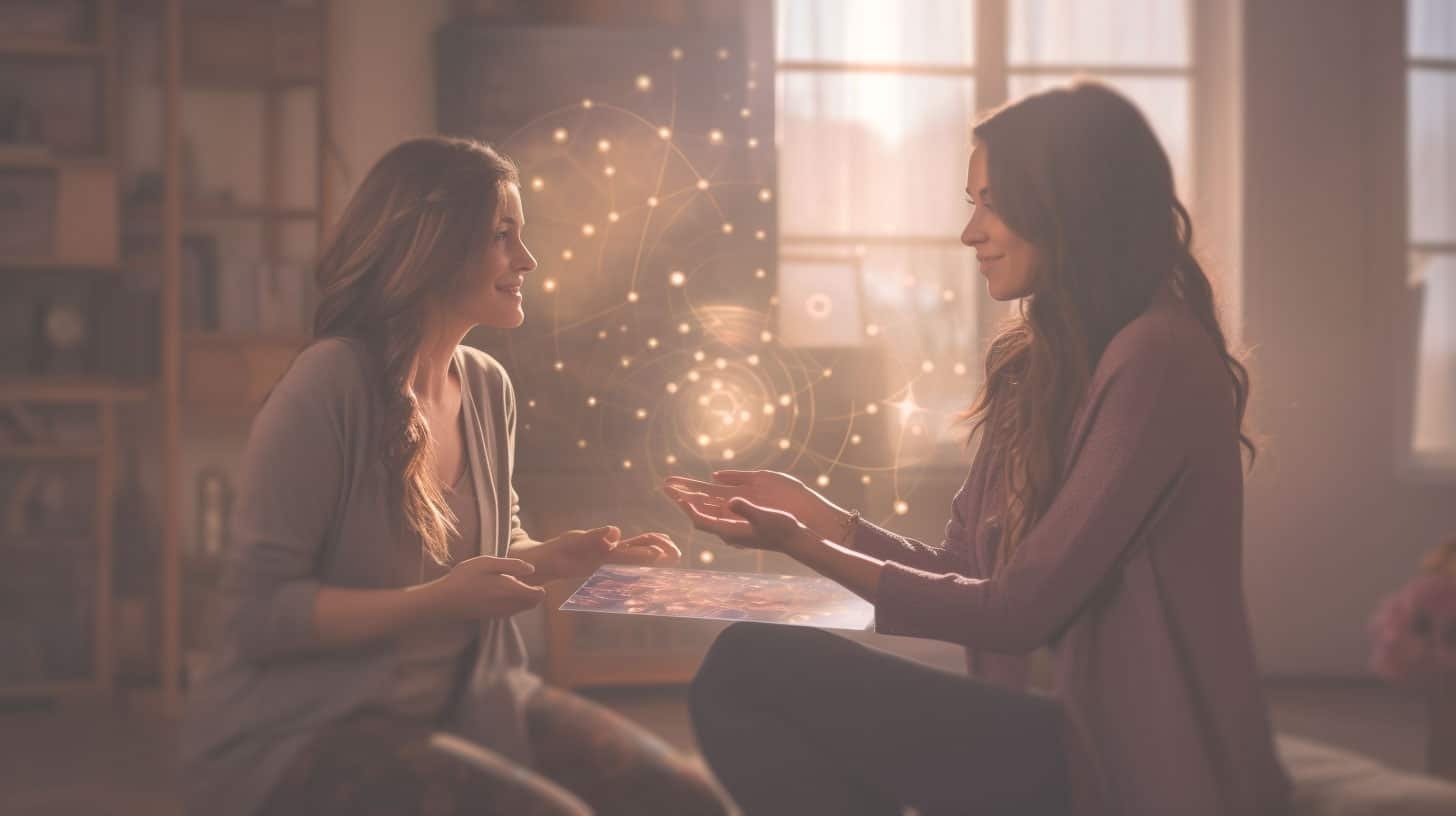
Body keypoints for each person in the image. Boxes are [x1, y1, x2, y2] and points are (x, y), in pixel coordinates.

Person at [666, 82, 1293, 816]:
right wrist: (825, 520)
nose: (971, 232)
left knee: (749, 668)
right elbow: (968, 572)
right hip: (1061, 738)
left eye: (992, 201)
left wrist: (803, 546)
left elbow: (1015, 614)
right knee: (748, 672)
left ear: (1070, 204)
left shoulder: (1160, 358)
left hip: (1128, 768)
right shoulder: (1037, 365)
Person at [182, 136, 731, 816]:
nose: (526, 260)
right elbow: (262, 615)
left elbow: (485, 559)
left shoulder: (487, 387)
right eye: (504, 236)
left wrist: (561, 557)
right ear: (434, 245)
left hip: (475, 702)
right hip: (308, 731)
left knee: (689, 800)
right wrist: (435, 601)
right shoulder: (327, 387)